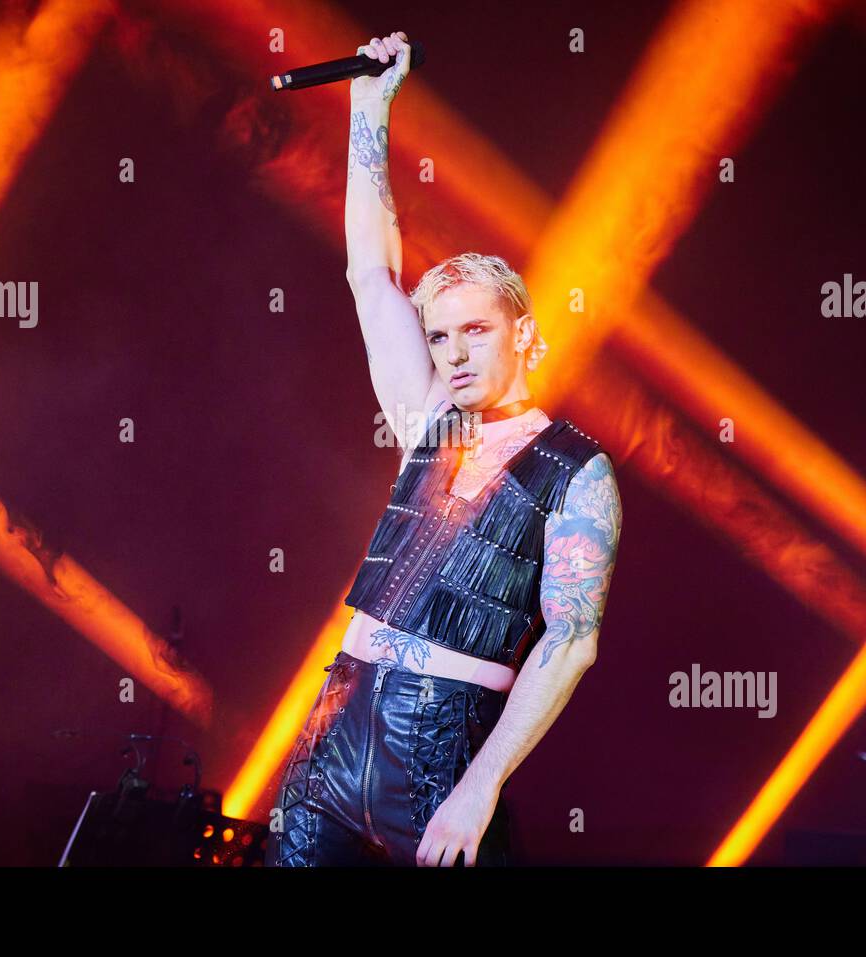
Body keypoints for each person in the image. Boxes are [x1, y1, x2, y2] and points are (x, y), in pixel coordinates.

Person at [270, 31, 623, 867]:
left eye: (475, 330)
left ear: (523, 336)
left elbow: (571, 641)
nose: (454, 351)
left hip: (439, 747)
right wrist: (370, 105)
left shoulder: (578, 470)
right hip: (336, 721)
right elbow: (368, 272)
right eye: (440, 335)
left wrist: (481, 783)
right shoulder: (429, 418)